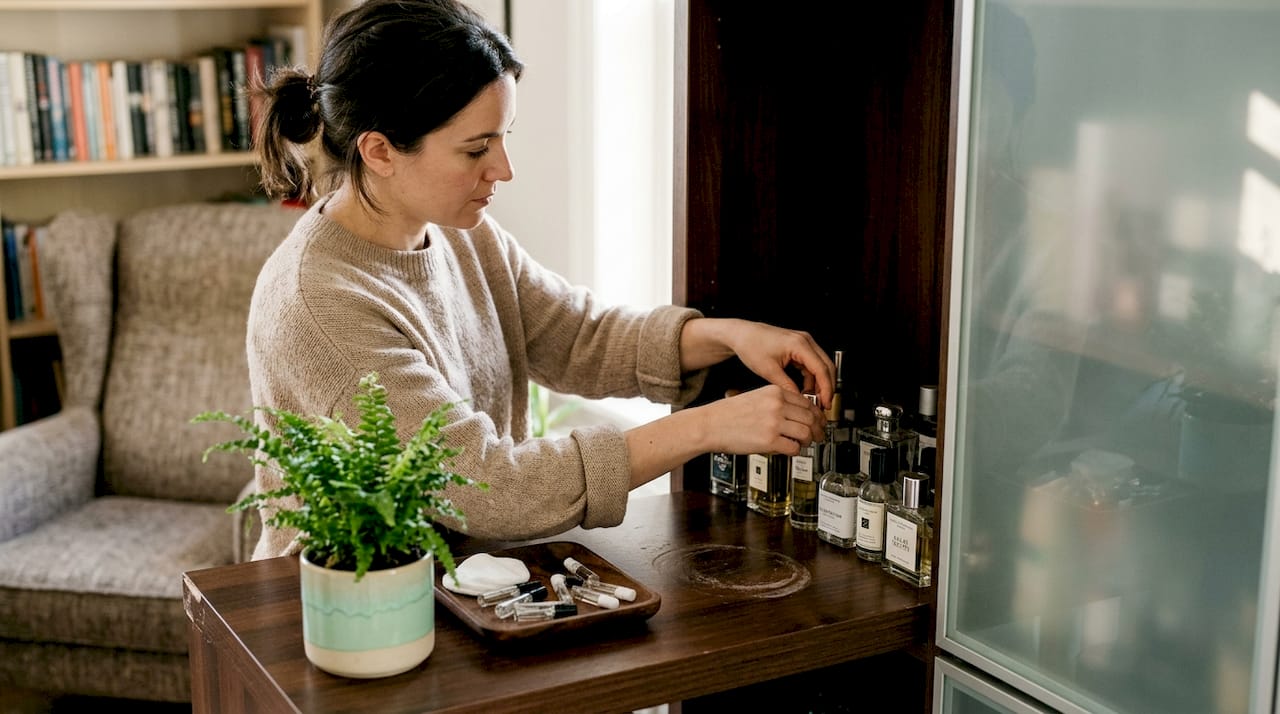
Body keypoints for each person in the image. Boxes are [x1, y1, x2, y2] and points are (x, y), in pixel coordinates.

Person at [245, 0, 834, 559]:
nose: (503, 169)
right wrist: (706, 427)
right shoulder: (320, 305)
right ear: (379, 150)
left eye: (504, 137)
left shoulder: (461, 232)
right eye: (477, 149)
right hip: (356, 618)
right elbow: (489, 486)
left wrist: (730, 336)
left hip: (472, 591)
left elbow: (579, 336)